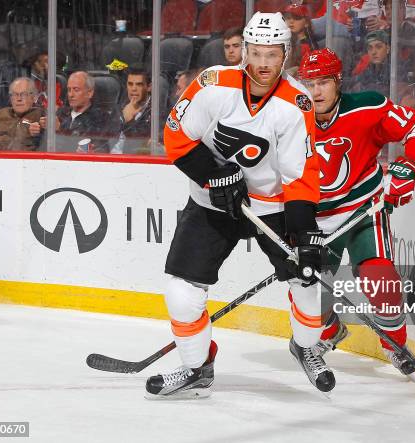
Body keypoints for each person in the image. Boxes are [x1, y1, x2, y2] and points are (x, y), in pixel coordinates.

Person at [147, 12, 331, 398]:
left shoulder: (295, 103)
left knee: (307, 278)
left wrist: (304, 231)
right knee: (181, 291)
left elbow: (300, 172)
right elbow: (177, 137)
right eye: (257, 53)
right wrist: (214, 175)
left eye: (273, 54)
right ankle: (197, 367)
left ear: (286, 54)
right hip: (211, 205)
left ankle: (305, 345)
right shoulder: (213, 85)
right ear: (244, 51)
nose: (264, 64)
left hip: (272, 206)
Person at [296, 48, 415, 379]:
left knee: (382, 282)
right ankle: (330, 331)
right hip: (314, 220)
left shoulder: (368, 108)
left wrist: (410, 165)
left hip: (364, 210)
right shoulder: (288, 116)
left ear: (338, 83)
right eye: (308, 83)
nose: (315, 91)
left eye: (323, 83)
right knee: (307, 297)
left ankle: (395, 345)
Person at [32, 71, 123, 153]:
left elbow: (87, 149)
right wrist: (38, 131)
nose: (71, 95)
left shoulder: (101, 119)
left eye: (76, 90)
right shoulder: (61, 113)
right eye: (69, 90)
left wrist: (59, 130)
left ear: (90, 93)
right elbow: (42, 147)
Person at [119, 68, 152, 153]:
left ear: (149, 87)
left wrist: (129, 121)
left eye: (139, 84)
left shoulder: (156, 111)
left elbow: (139, 145)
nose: (133, 89)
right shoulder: (119, 107)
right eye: (130, 84)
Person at [282, 3, 318, 73]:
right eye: (288, 18)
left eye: (296, 18)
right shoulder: (282, 41)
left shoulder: (308, 45)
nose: (291, 21)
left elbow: (310, 69)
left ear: (306, 23)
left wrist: (295, 69)